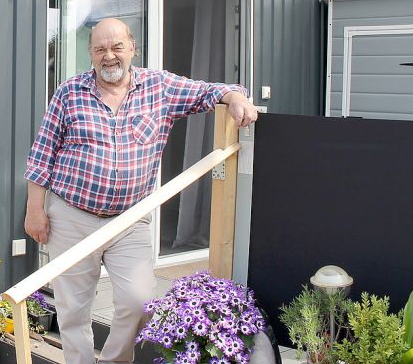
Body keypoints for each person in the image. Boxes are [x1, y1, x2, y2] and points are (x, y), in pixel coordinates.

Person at [24, 18, 258, 364]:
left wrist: (235, 96)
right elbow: (42, 153)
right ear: (90, 53)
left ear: (132, 47)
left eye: (117, 47)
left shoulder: (159, 86)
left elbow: (210, 91)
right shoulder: (69, 92)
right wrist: (35, 210)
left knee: (139, 302)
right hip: (71, 216)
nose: (109, 56)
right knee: (73, 312)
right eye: (100, 48)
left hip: (130, 221)